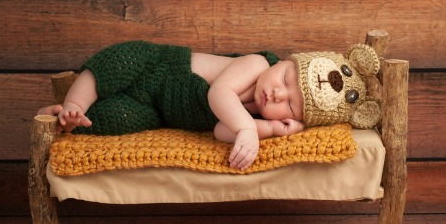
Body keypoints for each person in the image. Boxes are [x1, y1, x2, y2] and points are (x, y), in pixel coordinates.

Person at [38, 41, 367, 170]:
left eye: (291, 106)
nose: (278, 94)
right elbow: (218, 94)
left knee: (113, 121)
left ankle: (70, 118)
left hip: (158, 110)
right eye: (284, 77)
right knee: (112, 66)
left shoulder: (253, 117)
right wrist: (248, 130)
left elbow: (221, 131)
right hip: (158, 67)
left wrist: (269, 129)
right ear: (281, 62)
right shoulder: (255, 65)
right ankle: (74, 101)